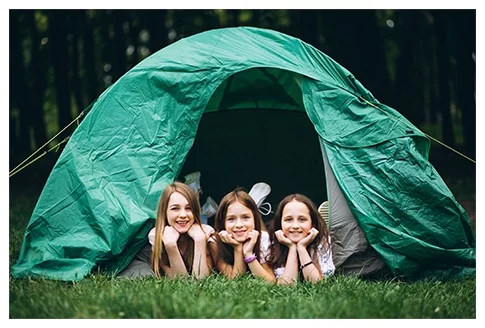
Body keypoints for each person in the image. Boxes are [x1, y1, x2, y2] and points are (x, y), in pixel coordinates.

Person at [209, 188, 276, 283]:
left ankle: (256, 207)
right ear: (222, 222)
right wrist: (238, 248)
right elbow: (235, 280)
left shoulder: (262, 238)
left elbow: (271, 281)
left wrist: (248, 253)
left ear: (254, 219)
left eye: (245, 217)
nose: (239, 225)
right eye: (231, 219)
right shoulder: (214, 242)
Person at [149, 181, 214, 279]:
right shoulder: (157, 235)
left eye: (189, 208)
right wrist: (171, 246)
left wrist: (200, 240)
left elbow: (201, 279)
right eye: (175, 208)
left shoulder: (206, 232)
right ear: (164, 212)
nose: (183, 215)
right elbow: (181, 281)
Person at [268, 194, 335, 285]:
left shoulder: (323, 242)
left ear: (313, 224)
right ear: (280, 223)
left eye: (302, 219)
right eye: (288, 219)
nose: (295, 226)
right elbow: (286, 285)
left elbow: (317, 284)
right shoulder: (272, 243)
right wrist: (292, 248)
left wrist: (302, 248)